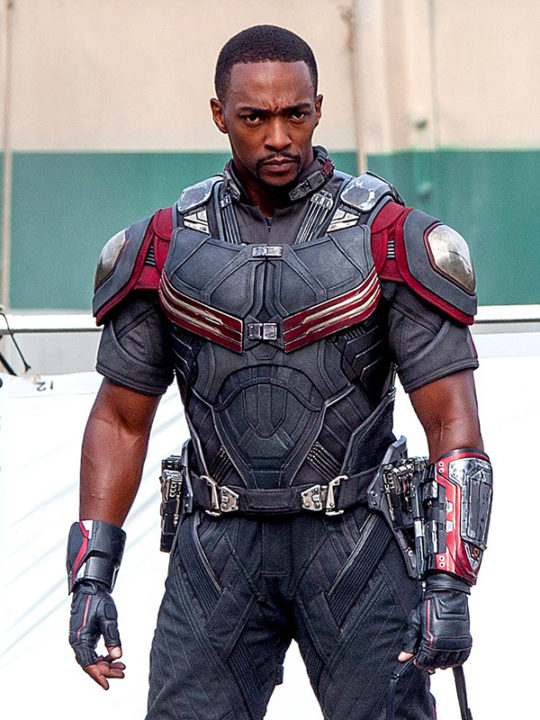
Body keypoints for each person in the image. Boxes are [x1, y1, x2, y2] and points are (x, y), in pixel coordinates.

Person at [67, 25, 492, 720]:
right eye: (254, 117)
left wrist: (451, 581)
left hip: (356, 541)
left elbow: (452, 422)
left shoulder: (391, 239)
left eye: (295, 115)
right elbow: (119, 419)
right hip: (217, 550)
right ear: (218, 115)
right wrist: (91, 575)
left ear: (318, 109)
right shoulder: (163, 245)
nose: (278, 138)